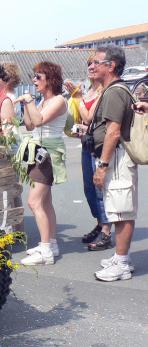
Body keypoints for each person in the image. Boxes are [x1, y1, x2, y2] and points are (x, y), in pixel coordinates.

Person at [90, 46, 137, 282]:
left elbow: (113, 131)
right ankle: (120, 257)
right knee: (117, 208)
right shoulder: (111, 90)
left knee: (122, 209)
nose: (92, 66)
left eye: (97, 62)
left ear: (111, 65)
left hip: (117, 157)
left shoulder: (115, 91)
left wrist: (103, 165)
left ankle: (122, 261)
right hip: (115, 156)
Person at [15, 61, 68, 266]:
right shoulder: (42, 101)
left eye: (38, 77)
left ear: (50, 79)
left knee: (34, 202)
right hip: (37, 151)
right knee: (45, 202)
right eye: (33, 76)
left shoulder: (58, 100)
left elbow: (39, 121)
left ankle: (45, 250)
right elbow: (29, 125)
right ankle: (51, 243)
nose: (34, 80)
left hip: (48, 154)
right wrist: (26, 105)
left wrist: (28, 100)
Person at [65, 57, 112, 251]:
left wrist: (76, 96)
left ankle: (107, 230)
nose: (91, 68)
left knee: (100, 189)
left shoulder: (102, 91)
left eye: (95, 64)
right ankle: (100, 223)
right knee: (88, 189)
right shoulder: (88, 90)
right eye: (89, 65)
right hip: (86, 143)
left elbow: (88, 116)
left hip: (98, 147)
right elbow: (80, 119)